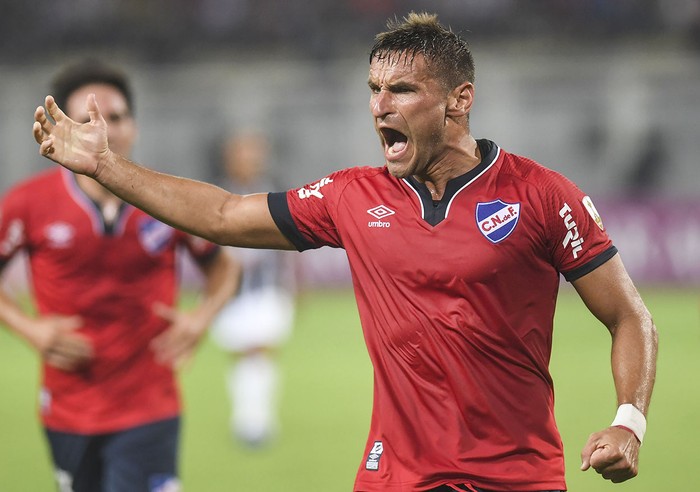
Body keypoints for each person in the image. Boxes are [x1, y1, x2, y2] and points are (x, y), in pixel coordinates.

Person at [31, 13, 658, 492]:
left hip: (516, 474)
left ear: (459, 100)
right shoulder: (350, 197)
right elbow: (222, 214)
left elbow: (628, 315)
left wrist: (629, 419)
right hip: (396, 474)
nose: (379, 105)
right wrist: (108, 168)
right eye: (374, 88)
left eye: (403, 89)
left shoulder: (542, 195)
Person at [0, 59, 240, 492]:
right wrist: (28, 328)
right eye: (87, 119)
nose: (103, 129)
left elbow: (223, 266)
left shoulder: (169, 201)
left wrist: (201, 317)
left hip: (150, 404)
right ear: (60, 129)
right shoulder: (27, 204)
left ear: (135, 125)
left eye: (115, 117)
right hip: (68, 407)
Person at [209, 130, 297, 447]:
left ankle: (257, 422)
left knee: (260, 349)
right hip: (230, 295)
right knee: (239, 354)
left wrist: (297, 285)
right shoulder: (219, 193)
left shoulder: (271, 191)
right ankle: (247, 415)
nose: (247, 161)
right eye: (241, 154)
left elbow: (291, 242)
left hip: (266, 290)